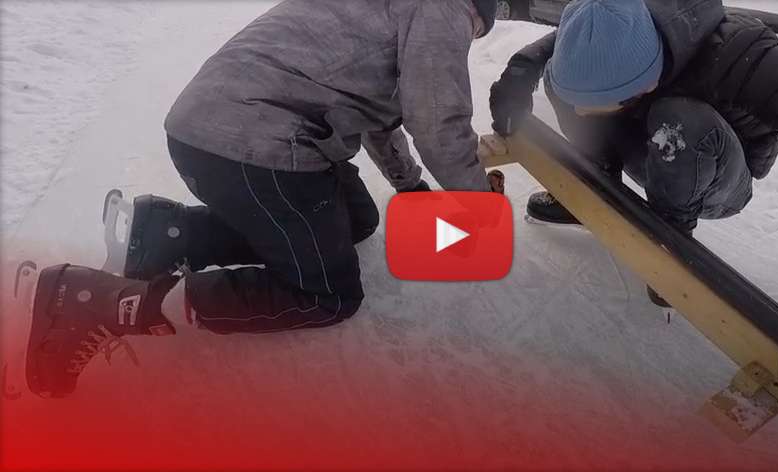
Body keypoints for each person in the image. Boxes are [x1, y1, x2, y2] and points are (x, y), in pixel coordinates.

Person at [26, 0, 502, 398]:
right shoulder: (446, 7)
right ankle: (109, 303)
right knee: (328, 294)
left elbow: (385, 112)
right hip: (258, 149)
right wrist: (479, 206)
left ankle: (164, 234)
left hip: (210, 130)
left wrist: (411, 187)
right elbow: (438, 122)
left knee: (356, 220)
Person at [488, 0, 778, 404]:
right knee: (567, 81)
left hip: (717, 170)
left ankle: (669, 238)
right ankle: (594, 186)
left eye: (600, 103)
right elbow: (568, 38)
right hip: (644, 131)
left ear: (646, 79)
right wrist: (522, 70)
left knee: (679, 121)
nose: (580, 113)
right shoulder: (623, 18)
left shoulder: (743, 56)